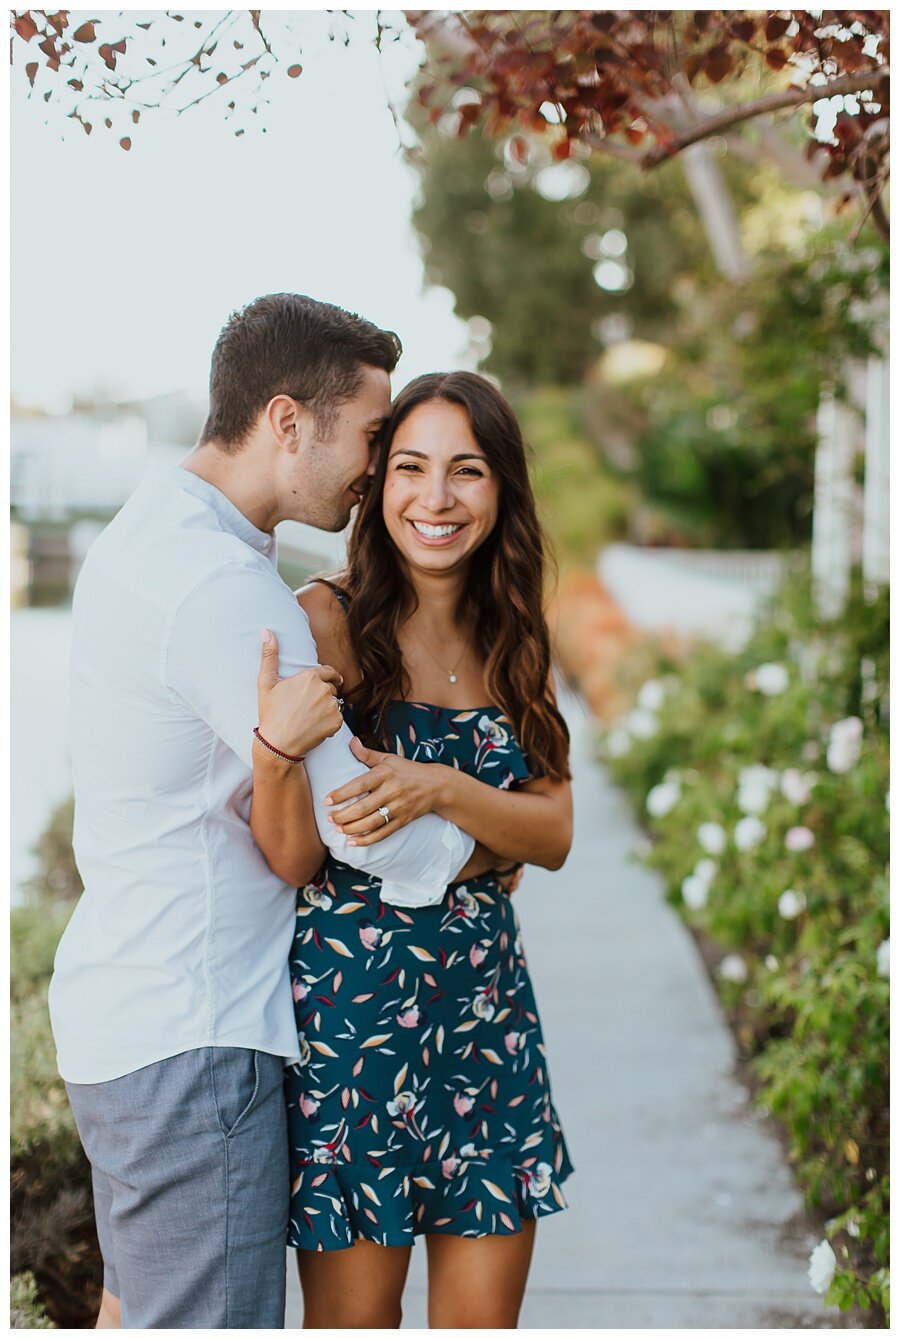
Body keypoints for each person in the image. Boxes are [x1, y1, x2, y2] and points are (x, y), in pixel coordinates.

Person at [48, 296, 501, 1329]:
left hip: (132, 1016)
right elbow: (357, 822)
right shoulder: (223, 586)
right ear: (288, 421)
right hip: (194, 1041)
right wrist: (491, 843)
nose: (380, 469)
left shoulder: (155, 533)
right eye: (374, 437)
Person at [285, 371, 575, 1328]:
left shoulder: (514, 634)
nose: (436, 498)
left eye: (467, 471)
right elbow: (353, 840)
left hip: (488, 1032)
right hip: (354, 1038)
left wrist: (442, 790)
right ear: (377, 485)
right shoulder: (325, 621)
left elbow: (558, 831)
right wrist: (492, 836)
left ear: (502, 490)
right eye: (409, 467)